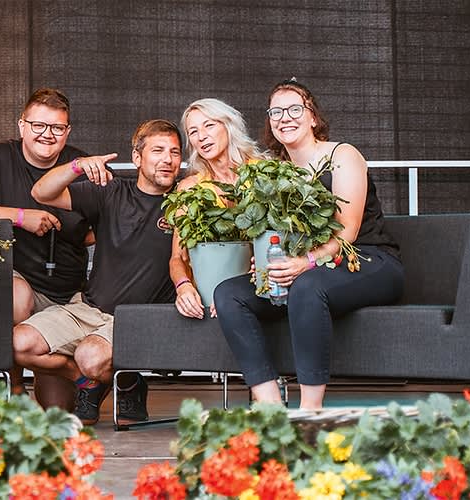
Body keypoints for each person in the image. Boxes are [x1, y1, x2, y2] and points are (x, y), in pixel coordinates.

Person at [212, 79, 405, 409]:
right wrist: (266, 259)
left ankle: (310, 410)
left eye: (294, 109)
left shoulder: (342, 155)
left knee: (306, 286)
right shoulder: (276, 171)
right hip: (309, 268)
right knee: (228, 293)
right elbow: (274, 233)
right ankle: (270, 403)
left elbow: (348, 232)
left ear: (313, 116)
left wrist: (305, 263)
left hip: (369, 260)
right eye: (276, 111)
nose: (285, 117)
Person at [24, 119, 182, 425]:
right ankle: (98, 383)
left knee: (89, 356)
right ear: (137, 158)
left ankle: (124, 380)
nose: (167, 159)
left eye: (175, 153)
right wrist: (78, 166)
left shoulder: (185, 201)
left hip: (137, 318)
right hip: (88, 308)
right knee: (19, 344)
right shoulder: (109, 191)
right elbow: (41, 192)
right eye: (158, 150)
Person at [0, 88, 96, 406]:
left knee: (58, 411)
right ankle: (14, 383)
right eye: (38, 125)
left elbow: (100, 228)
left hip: (64, 293)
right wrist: (20, 217)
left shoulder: (79, 166)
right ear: (22, 125)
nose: (47, 135)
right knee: (16, 299)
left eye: (57, 128)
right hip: (13, 280)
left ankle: (67, 370)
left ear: (67, 131)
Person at [170, 98, 269, 319]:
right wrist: (184, 286)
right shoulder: (190, 188)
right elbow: (177, 257)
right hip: (206, 300)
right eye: (193, 131)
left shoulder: (265, 174)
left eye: (209, 125)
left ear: (229, 125)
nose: (201, 136)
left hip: (257, 293)